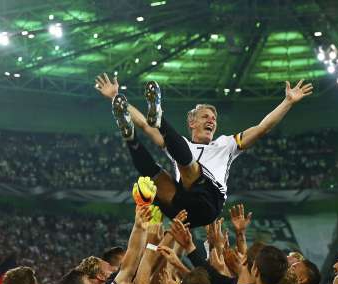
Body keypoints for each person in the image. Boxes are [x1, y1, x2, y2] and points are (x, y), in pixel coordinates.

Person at [95, 74, 312, 228]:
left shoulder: (227, 144)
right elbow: (144, 124)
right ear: (192, 122)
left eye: (214, 119)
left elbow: (263, 127)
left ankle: (160, 119)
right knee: (152, 177)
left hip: (209, 201)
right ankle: (129, 138)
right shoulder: (179, 143)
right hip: (183, 211)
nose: (212, 120)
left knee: (188, 167)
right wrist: (116, 98)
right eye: (205, 116)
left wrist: (288, 101)